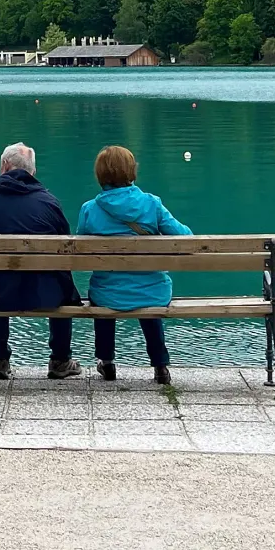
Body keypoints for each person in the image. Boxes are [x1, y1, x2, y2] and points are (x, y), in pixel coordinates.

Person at [0, 141, 82, 380]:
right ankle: (59, 360)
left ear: (4, 166)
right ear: (33, 172)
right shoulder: (49, 202)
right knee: (61, 281)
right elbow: (66, 251)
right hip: (46, 292)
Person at [77, 143, 190, 384]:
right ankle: (160, 364)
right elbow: (185, 238)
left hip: (107, 292)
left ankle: (106, 361)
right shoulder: (152, 204)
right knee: (148, 286)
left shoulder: (89, 210)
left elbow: (79, 252)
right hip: (153, 292)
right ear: (131, 171)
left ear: (100, 175)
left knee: (104, 291)